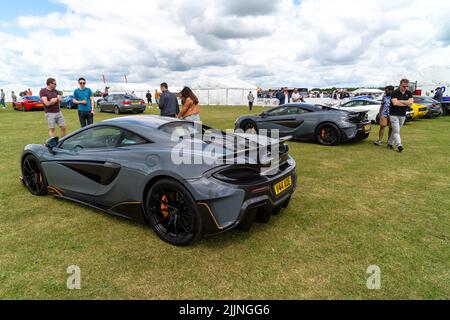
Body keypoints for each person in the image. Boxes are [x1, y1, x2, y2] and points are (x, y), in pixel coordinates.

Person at [388, 79, 414, 153]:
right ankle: (399, 145)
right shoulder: (394, 92)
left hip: (403, 114)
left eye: (407, 86)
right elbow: (395, 103)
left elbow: (411, 103)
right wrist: (406, 102)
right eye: (404, 86)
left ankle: (390, 143)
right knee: (397, 130)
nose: (405, 87)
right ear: (400, 85)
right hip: (393, 114)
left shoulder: (409, 93)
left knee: (395, 130)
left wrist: (401, 101)